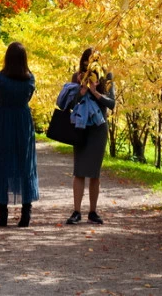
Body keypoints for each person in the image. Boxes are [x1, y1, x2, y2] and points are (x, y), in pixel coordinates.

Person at [0, 42, 39, 227]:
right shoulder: (30, 79)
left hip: (3, 122)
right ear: (24, 60)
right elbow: (27, 98)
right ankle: (26, 213)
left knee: (1, 162)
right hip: (23, 122)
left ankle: (3, 214)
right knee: (24, 163)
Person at [66, 47, 115, 225]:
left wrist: (95, 92)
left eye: (93, 61)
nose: (90, 65)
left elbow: (112, 103)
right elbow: (70, 104)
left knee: (94, 173)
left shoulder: (107, 77)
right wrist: (80, 91)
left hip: (98, 129)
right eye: (87, 61)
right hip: (80, 127)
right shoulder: (76, 76)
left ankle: (93, 211)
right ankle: (76, 211)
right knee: (79, 171)